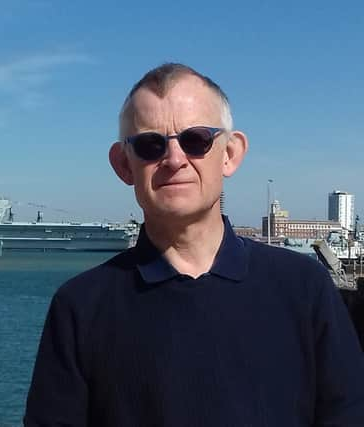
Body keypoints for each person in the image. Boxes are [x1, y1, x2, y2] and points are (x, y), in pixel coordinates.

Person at [24, 63, 364, 426]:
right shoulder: (79, 308)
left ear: (230, 154)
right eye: (150, 145)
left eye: (196, 139)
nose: (174, 159)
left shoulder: (305, 288)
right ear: (124, 164)